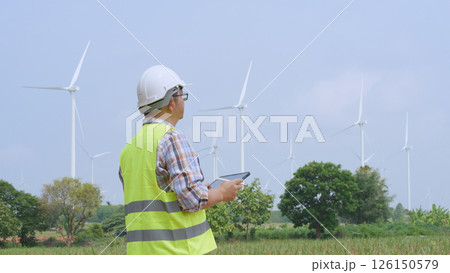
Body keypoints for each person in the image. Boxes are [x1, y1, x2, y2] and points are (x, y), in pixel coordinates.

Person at [119, 65, 243, 255]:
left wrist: (202, 191)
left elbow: (157, 198)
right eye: (182, 96)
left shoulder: (129, 149)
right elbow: (192, 200)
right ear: (171, 102)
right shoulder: (171, 138)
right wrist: (221, 193)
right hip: (177, 252)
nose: (184, 101)